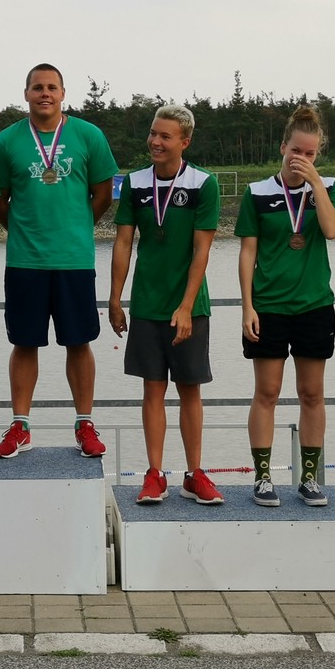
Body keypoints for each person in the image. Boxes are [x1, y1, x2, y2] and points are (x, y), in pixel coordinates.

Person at [0, 63, 118, 459]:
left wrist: (77, 226)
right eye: (37, 87)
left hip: (74, 260)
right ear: (26, 93)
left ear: (63, 93)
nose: (44, 93)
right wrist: (24, 230)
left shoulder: (88, 135)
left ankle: (84, 424)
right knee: (24, 342)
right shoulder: (6, 141)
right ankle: (21, 426)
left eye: (51, 87)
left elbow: (103, 194)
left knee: (78, 342)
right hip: (25, 261)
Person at [108, 105, 221, 504]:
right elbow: (123, 242)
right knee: (152, 389)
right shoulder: (134, 182)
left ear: (184, 142)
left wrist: (186, 307)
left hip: (189, 307)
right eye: (153, 133)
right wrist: (115, 298)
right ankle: (154, 474)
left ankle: (194, 474)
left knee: (190, 390)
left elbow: (201, 250)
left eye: (165, 136)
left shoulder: (203, 183)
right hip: (147, 305)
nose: (155, 141)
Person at [237, 105, 335, 508]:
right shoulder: (257, 192)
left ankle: (310, 478)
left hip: (313, 305)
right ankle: (263, 478)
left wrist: (315, 185)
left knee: (311, 393)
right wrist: (247, 307)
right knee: (266, 392)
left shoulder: (327, 187)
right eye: (296, 151)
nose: (302, 158)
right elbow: (247, 253)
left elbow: (332, 231)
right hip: (269, 306)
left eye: (310, 153)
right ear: (283, 147)